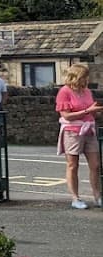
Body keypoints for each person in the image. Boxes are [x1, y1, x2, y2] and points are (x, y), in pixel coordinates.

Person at [55, 63, 102, 210]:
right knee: (72, 165)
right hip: (72, 131)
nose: (86, 79)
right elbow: (66, 116)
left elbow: (90, 112)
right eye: (84, 77)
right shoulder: (64, 91)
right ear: (76, 77)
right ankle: (75, 198)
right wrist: (88, 110)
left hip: (89, 129)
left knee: (95, 165)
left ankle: (98, 196)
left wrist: (95, 111)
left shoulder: (87, 91)